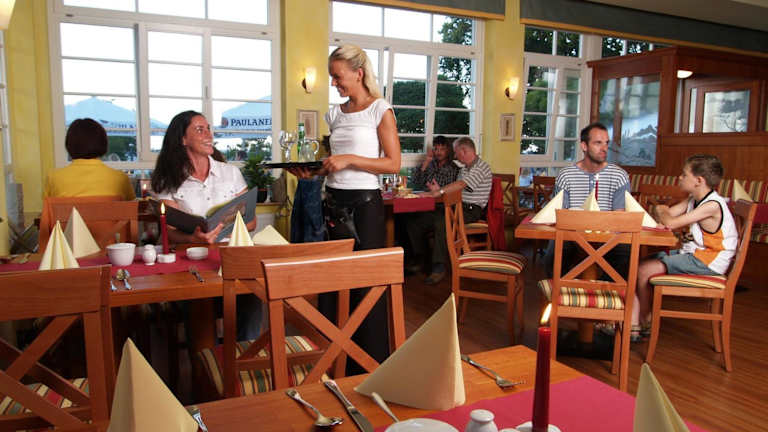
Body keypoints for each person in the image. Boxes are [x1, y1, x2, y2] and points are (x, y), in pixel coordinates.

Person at [289, 44, 400, 373]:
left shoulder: (379, 109)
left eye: (337, 77)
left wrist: (349, 159)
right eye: (332, 77)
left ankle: (368, 366)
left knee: (366, 285)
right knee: (334, 282)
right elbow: (335, 164)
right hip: (333, 202)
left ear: (358, 73)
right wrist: (314, 172)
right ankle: (335, 359)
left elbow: (393, 164)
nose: (333, 83)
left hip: (365, 207)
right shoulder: (334, 114)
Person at [151, 110, 261, 341]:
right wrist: (193, 239)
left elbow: (250, 221)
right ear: (183, 139)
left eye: (209, 129)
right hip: (191, 261)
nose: (208, 135)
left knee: (252, 294)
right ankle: (206, 356)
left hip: (229, 256)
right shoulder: (167, 179)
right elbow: (169, 232)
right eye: (200, 130)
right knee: (198, 302)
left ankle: (245, 354)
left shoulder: (230, 173)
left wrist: (224, 229)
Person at [635, 154, 736, 336]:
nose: (679, 177)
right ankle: (642, 318)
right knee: (640, 264)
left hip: (708, 261)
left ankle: (641, 322)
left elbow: (670, 221)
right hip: (695, 255)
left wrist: (661, 209)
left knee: (643, 270)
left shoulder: (712, 205)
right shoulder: (693, 199)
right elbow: (666, 218)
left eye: (684, 174)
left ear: (699, 181)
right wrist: (663, 212)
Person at [543, 122, 631, 277]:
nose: (604, 148)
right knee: (553, 255)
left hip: (609, 236)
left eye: (606, 143)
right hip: (572, 235)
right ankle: (563, 290)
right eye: (598, 143)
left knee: (625, 254)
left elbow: (620, 216)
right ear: (584, 146)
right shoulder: (566, 175)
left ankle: (606, 291)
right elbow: (560, 214)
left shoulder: (619, 176)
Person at [409, 136, 492, 285]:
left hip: (471, 210)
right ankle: (420, 259)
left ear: (463, 151)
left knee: (442, 223)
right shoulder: (464, 168)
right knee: (416, 220)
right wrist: (439, 189)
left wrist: (437, 192)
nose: (454, 155)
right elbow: (454, 189)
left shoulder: (481, 167)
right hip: (456, 206)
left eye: (455, 152)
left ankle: (439, 267)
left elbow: (460, 185)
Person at [44, 118, 135, 200]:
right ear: (103, 143)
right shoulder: (121, 178)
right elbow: (130, 210)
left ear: (69, 144)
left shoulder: (54, 178)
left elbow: (49, 210)